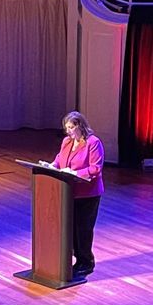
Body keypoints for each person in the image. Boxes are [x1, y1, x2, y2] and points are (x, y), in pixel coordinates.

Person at [51, 111, 105, 277]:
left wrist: (75, 173)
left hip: (88, 193)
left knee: (83, 228)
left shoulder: (93, 143)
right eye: (66, 127)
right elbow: (60, 160)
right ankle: (77, 258)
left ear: (80, 126)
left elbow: (95, 168)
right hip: (69, 191)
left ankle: (86, 261)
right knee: (71, 227)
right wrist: (52, 166)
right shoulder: (67, 141)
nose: (68, 131)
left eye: (71, 127)